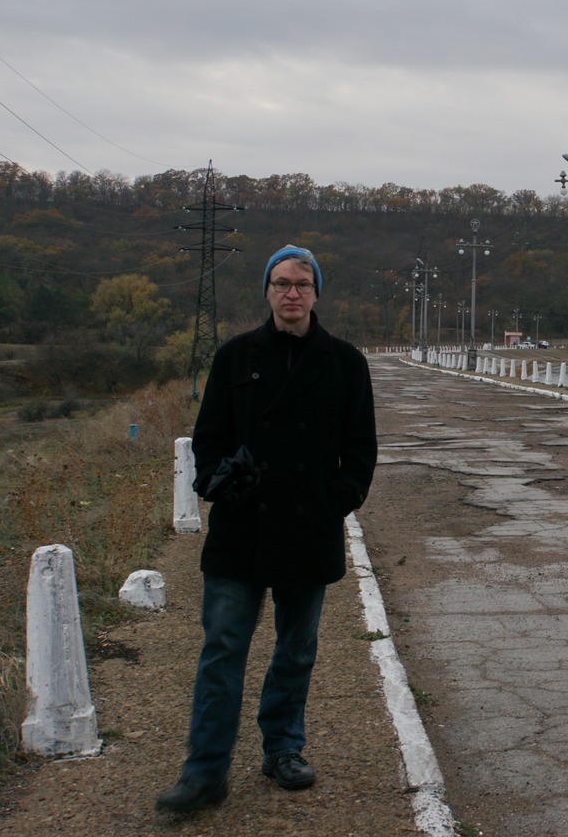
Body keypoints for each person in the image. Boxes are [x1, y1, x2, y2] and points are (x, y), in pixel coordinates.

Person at [157, 245, 377, 813]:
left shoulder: (345, 362)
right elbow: (208, 439)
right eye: (281, 283)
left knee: (296, 650)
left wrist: (338, 499)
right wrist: (216, 481)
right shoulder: (235, 357)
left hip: (309, 526)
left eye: (302, 283)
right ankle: (204, 772)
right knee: (223, 648)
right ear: (267, 291)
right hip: (241, 527)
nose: (291, 293)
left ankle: (282, 749)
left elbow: (360, 449)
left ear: (316, 292)